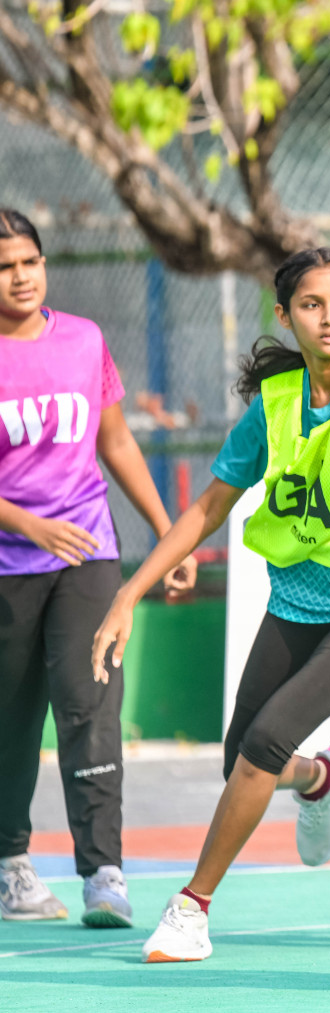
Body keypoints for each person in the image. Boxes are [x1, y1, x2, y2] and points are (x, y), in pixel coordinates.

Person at [91, 248, 330, 963]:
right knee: (239, 758)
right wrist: (130, 589)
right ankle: (323, 777)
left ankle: (191, 909)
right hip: (298, 597)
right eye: (313, 305)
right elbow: (209, 507)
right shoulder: (276, 405)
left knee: (264, 742)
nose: (329, 317)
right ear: (285, 316)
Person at [0, 208, 197, 929]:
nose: (20, 277)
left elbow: (113, 441)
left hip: (88, 551)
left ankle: (103, 873)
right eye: (3, 267)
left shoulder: (83, 341)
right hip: (10, 562)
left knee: (90, 705)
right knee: (12, 719)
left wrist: (169, 533)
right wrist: (25, 523)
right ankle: (11, 865)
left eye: (29, 262)